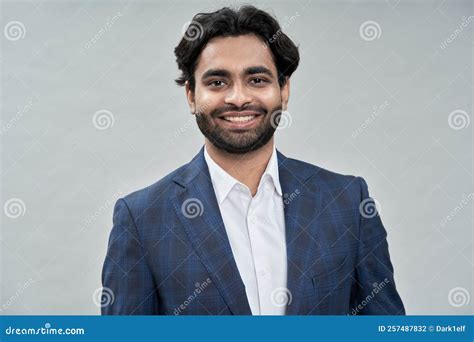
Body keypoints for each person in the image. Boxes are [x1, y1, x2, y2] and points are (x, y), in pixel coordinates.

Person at [101, 5, 405, 315]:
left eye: (257, 80)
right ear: (191, 95)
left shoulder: (346, 202)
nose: (238, 98)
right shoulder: (141, 219)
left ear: (284, 90)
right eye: (217, 82)